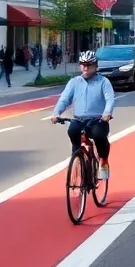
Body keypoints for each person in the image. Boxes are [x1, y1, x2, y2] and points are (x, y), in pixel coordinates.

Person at [50, 50, 115, 180]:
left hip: (98, 119)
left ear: (95, 66)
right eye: (83, 64)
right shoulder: (74, 82)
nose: (85, 68)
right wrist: (56, 113)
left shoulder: (103, 82)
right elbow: (64, 99)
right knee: (72, 131)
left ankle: (103, 161)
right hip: (79, 119)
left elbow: (110, 99)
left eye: (89, 65)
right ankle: (77, 159)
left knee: (98, 135)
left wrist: (107, 113)